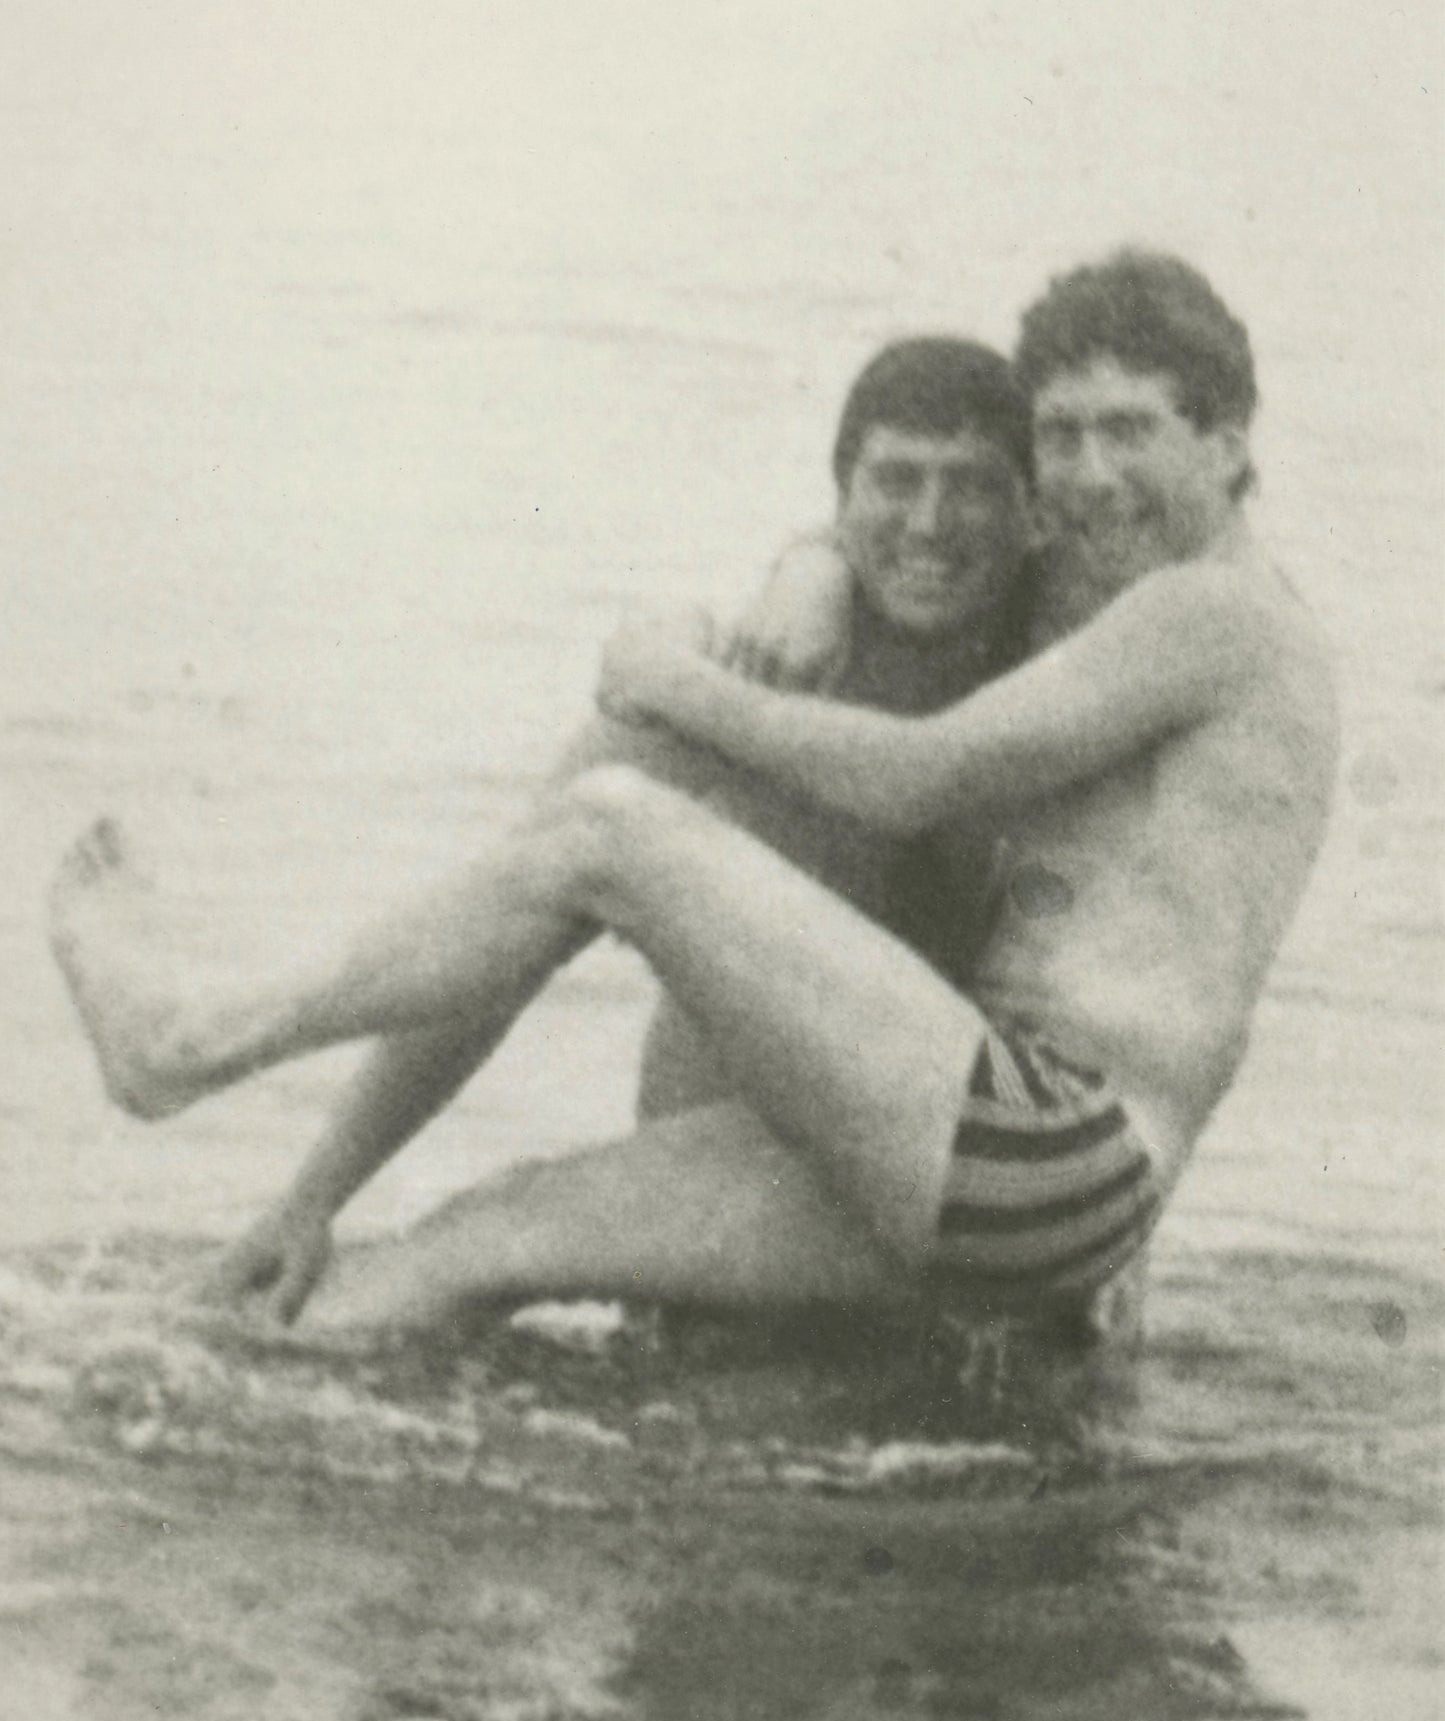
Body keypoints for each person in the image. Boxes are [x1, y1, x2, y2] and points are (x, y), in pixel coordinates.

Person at [50, 250, 1339, 1340]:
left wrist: (675, 679)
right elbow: (913, 536)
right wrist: (812, 566)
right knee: (485, 1230)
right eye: (1060, 434)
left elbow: (915, 776)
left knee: (616, 822)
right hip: (990, 1171)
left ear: (1225, 445)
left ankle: (194, 1042)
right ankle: (213, 1332)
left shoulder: (1210, 615)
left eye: (1131, 431)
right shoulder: (1108, 591)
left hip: (1047, 1153)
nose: (1090, 473)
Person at [50, 338, 1040, 1327]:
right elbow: (494, 957)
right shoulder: (769, 672)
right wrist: (313, 1197)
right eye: (895, 482)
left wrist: (805, 563)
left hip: (907, 1217)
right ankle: (195, 1070)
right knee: (614, 776)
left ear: (1030, 513)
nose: (930, 522)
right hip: (709, 1214)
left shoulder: (1052, 684)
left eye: (972, 488)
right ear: (841, 499)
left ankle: (194, 1046)